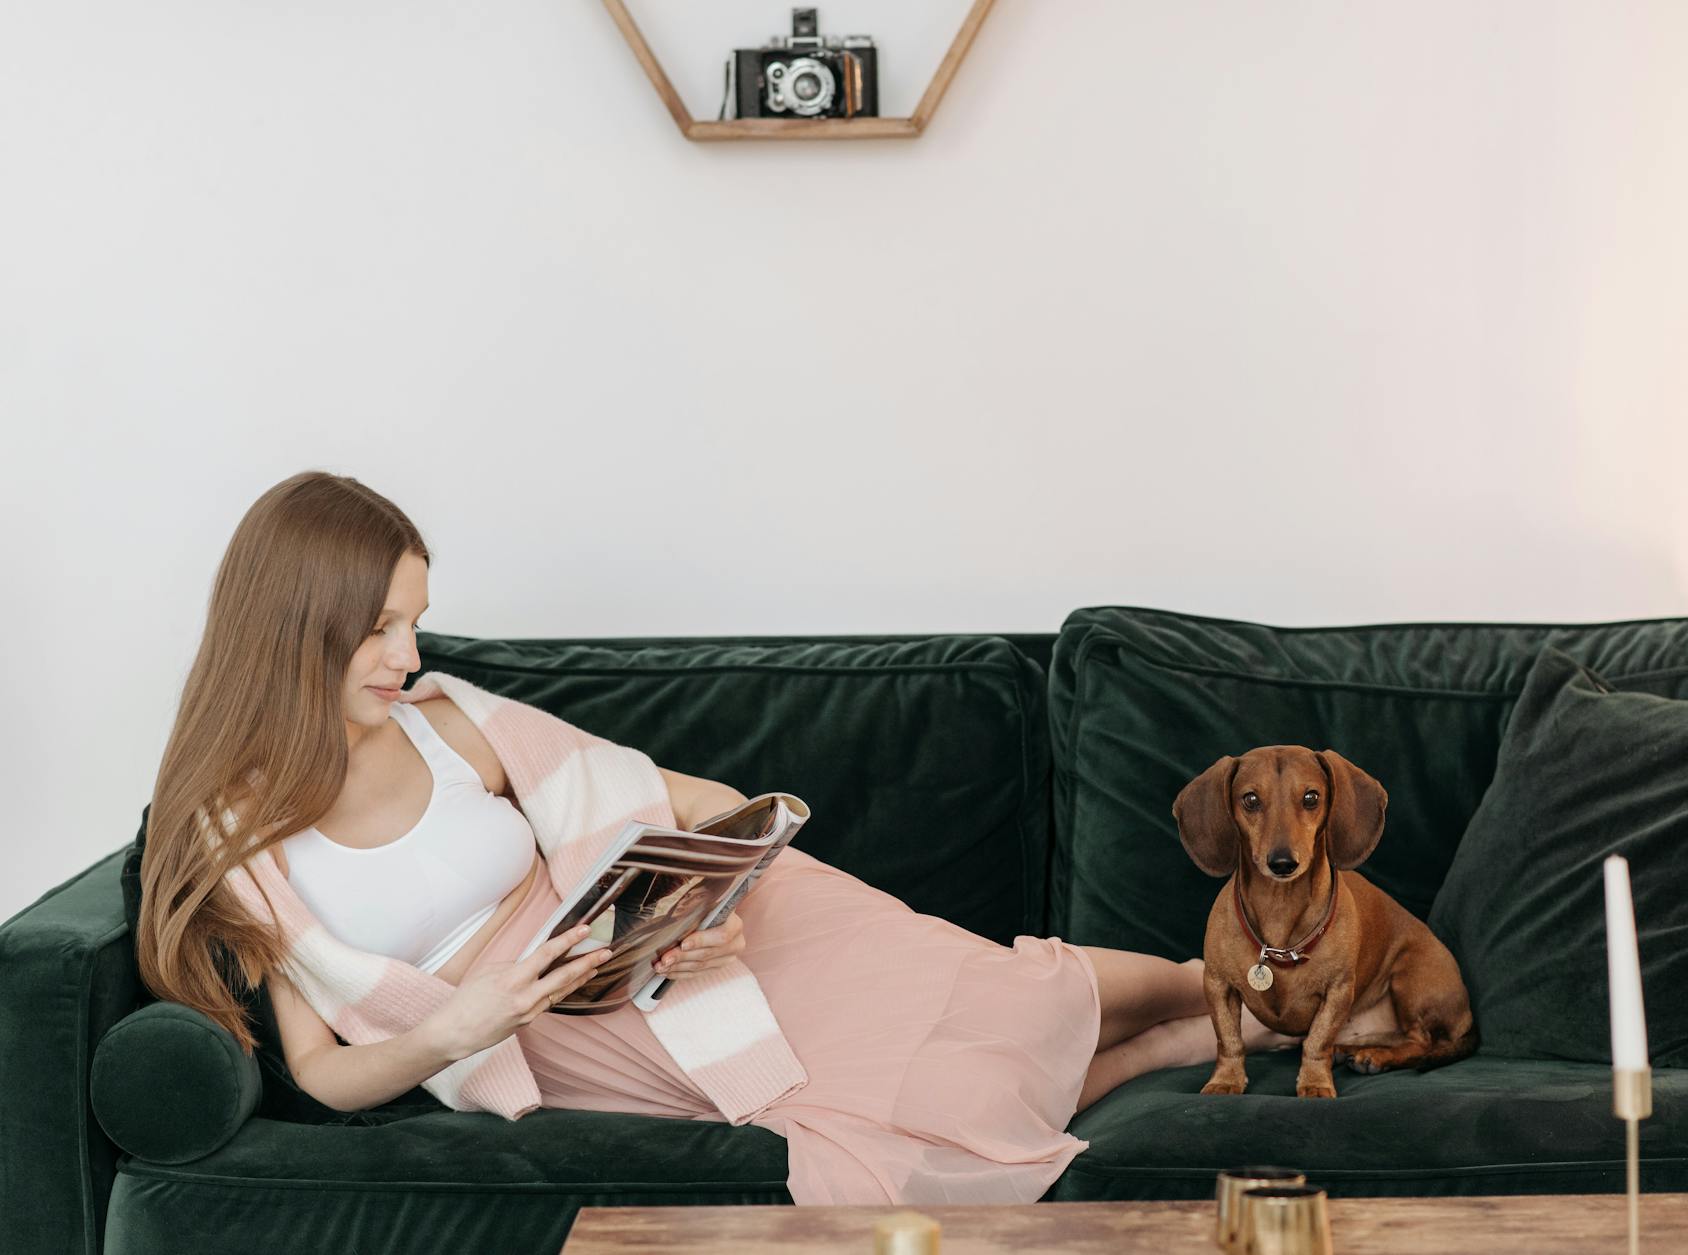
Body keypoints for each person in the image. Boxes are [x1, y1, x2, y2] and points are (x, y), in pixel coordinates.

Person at [135, 470, 1315, 1205]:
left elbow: (677, 797)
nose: (409, 655)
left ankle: (1250, 989)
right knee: (925, 1102)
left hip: (666, 935)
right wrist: (461, 1023)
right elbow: (327, 1072)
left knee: (990, 987)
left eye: (414, 622)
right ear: (296, 625)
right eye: (380, 629)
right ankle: (1176, 1047)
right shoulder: (238, 838)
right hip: (557, 1030)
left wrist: (713, 896)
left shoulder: (450, 726)